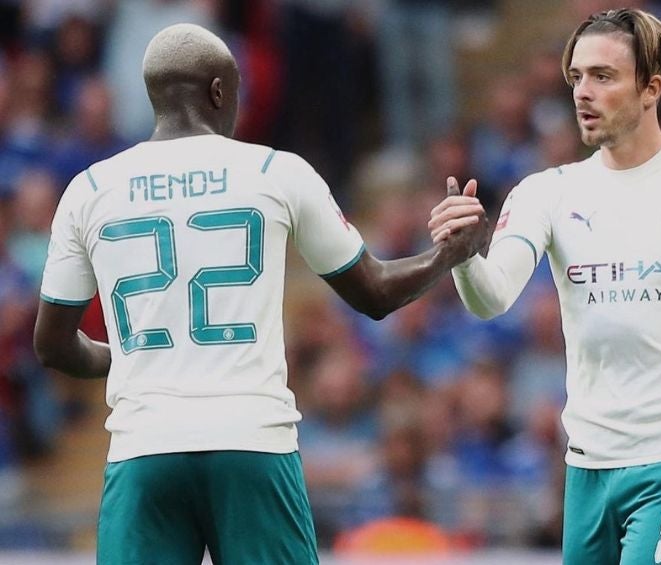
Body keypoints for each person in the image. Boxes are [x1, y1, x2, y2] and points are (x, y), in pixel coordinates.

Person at [32, 23, 486, 565]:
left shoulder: (88, 189)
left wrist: (133, 357)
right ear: (220, 91)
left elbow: (53, 345)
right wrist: (448, 256)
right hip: (251, 442)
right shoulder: (276, 171)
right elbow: (375, 293)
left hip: (143, 448)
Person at [429, 8, 661, 564]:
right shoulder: (547, 191)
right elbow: (491, 298)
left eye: (603, 76)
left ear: (651, 87)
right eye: (575, 78)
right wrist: (463, 256)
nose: (582, 93)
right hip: (588, 467)